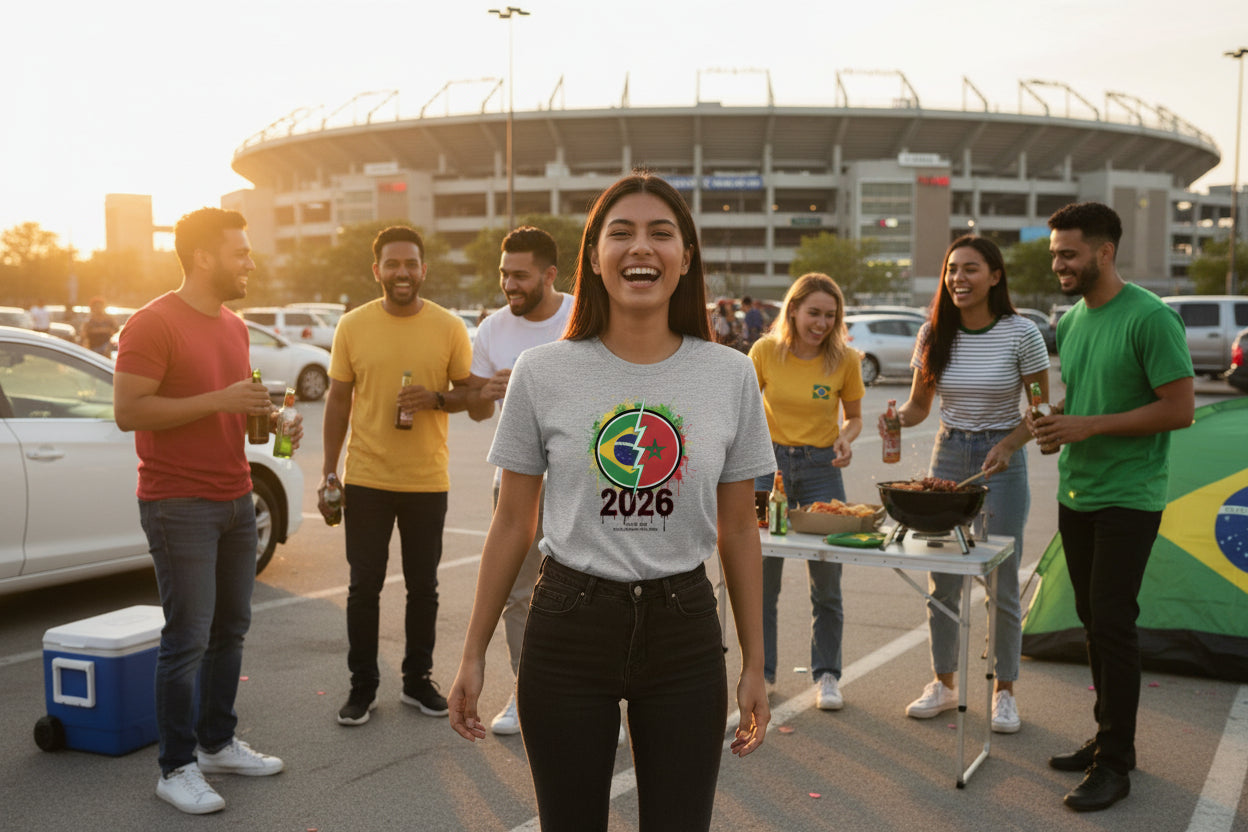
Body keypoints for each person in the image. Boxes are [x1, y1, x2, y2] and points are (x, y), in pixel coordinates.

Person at [448, 171, 774, 832]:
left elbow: (739, 529)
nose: (640, 248)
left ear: (685, 259)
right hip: (568, 622)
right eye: (619, 233)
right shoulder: (543, 372)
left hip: (683, 625)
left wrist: (755, 664)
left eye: (661, 233)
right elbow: (513, 520)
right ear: (593, 260)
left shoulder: (731, 373)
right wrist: (473, 651)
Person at [114, 207, 295, 815]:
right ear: (203, 258)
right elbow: (130, 410)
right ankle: (176, 766)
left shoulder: (235, 326)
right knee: (186, 637)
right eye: (240, 251)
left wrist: (267, 417)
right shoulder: (151, 323)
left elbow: (232, 413)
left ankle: (217, 743)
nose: (250, 260)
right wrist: (221, 398)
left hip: (234, 496)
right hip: (177, 502)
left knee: (230, 630)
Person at [1030, 202, 1194, 812]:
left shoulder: (1150, 318)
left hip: (1131, 495)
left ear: (1104, 252)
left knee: (1112, 621)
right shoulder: (1070, 321)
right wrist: (1051, 424)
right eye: (1054, 254)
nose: (1059, 264)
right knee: (1092, 621)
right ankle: (1106, 735)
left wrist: (1091, 426)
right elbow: (1083, 396)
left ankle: (1116, 763)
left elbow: (1180, 410)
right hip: (1078, 491)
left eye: (1068, 254)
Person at [879, 235, 1049, 736]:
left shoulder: (1023, 334)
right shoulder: (934, 332)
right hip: (949, 452)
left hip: (1003, 456)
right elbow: (918, 407)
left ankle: (1004, 692)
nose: (959, 279)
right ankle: (944, 683)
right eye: (952, 270)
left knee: (1002, 577)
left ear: (995, 276)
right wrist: (895, 421)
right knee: (943, 578)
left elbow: (1039, 408)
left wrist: (1010, 444)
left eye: (971, 269)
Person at [321, 225, 474, 727]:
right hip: (366, 478)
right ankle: (362, 687)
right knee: (364, 588)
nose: (402, 272)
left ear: (423, 269)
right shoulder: (352, 325)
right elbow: (338, 399)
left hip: (426, 480)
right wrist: (329, 470)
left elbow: (469, 397)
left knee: (423, 588)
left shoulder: (449, 326)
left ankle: (416, 681)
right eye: (393, 264)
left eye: (411, 264)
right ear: (378, 270)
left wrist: (434, 398)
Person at [464, 226, 573, 736]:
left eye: (520, 275)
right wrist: (486, 390)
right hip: (515, 478)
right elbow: (477, 412)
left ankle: (600, 702)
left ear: (549, 275)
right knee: (518, 592)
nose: (509, 283)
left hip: (581, 478)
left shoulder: (581, 316)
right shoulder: (491, 330)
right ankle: (524, 693)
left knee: (591, 588)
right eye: (504, 273)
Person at [748, 273, 863, 710]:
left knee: (827, 580)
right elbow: (744, 407)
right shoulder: (764, 352)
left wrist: (845, 438)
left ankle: (828, 674)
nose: (821, 323)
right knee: (761, 581)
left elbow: (853, 417)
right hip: (767, 467)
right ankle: (762, 673)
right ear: (792, 310)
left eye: (830, 316)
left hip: (821, 470)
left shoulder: (845, 359)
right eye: (813, 312)